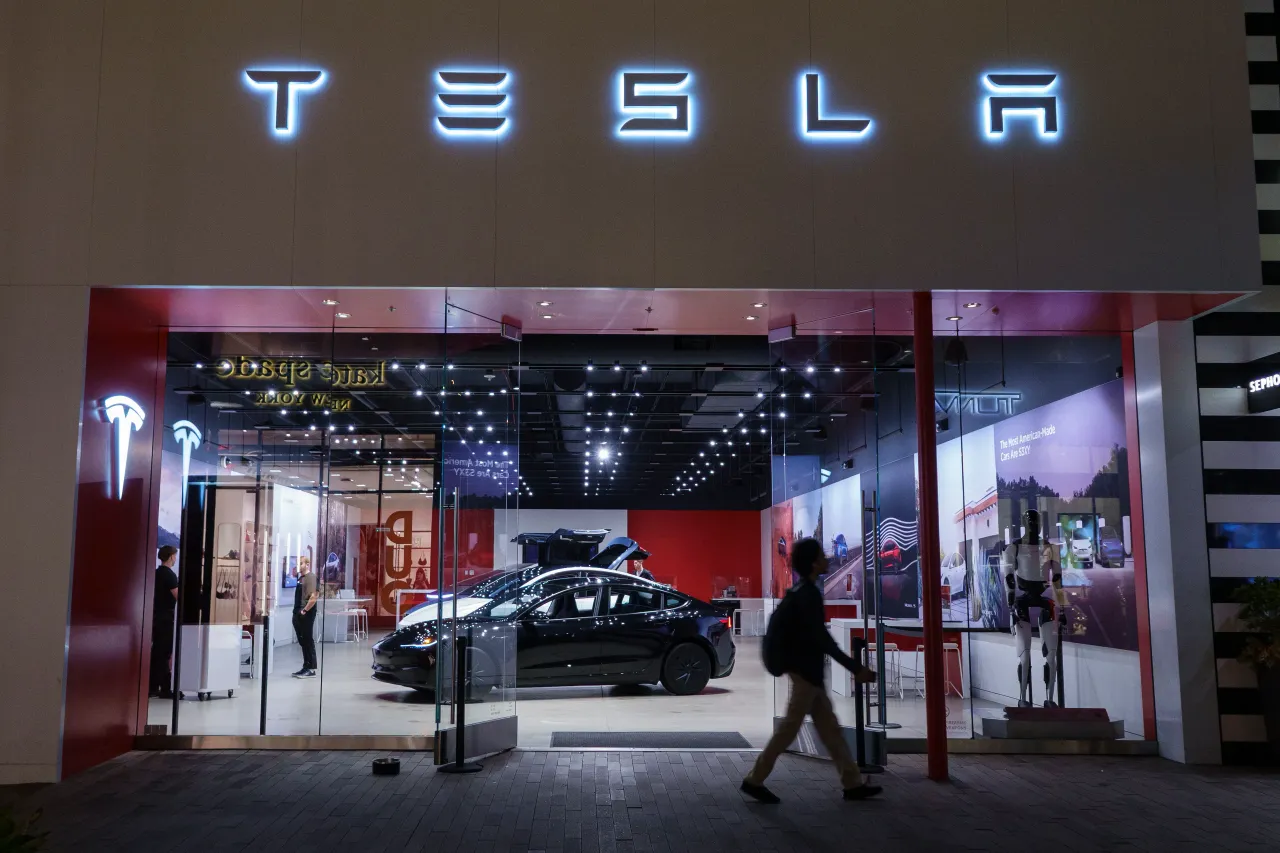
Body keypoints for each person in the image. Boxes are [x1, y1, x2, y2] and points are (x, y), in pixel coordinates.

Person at [742, 538, 883, 804]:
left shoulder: (800, 592)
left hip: (809, 675)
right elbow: (822, 639)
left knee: (831, 731)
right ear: (813, 563)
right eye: (821, 555)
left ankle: (852, 783)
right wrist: (855, 668)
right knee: (788, 730)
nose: (826, 558)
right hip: (806, 675)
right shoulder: (808, 595)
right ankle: (754, 779)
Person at [149, 545, 180, 698]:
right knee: (164, 653)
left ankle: (153, 686)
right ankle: (165, 688)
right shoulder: (170, 576)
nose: (175, 558)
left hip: (155, 616)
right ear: (171, 556)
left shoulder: (156, 573)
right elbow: (178, 596)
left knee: (157, 651)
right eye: (175, 555)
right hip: (166, 619)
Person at [292, 557, 319, 678]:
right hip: (298, 612)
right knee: (303, 640)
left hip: (306, 613)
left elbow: (313, 597)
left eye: (301, 563)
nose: (298, 565)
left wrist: (304, 610)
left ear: (307, 564)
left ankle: (311, 668)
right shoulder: (301, 578)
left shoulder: (311, 577)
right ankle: (306, 666)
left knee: (308, 639)